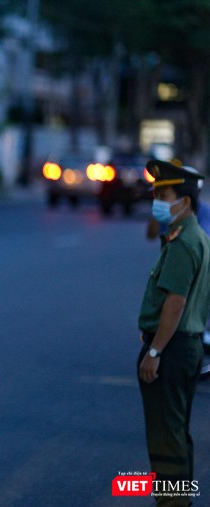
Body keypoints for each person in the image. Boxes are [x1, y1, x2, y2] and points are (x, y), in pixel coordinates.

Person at [137, 159, 210, 506]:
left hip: (172, 349)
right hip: (185, 347)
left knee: (166, 437)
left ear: (184, 200)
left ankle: (173, 504)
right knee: (176, 432)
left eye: (163, 194)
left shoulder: (184, 243)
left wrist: (155, 351)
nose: (158, 201)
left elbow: (175, 303)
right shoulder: (191, 235)